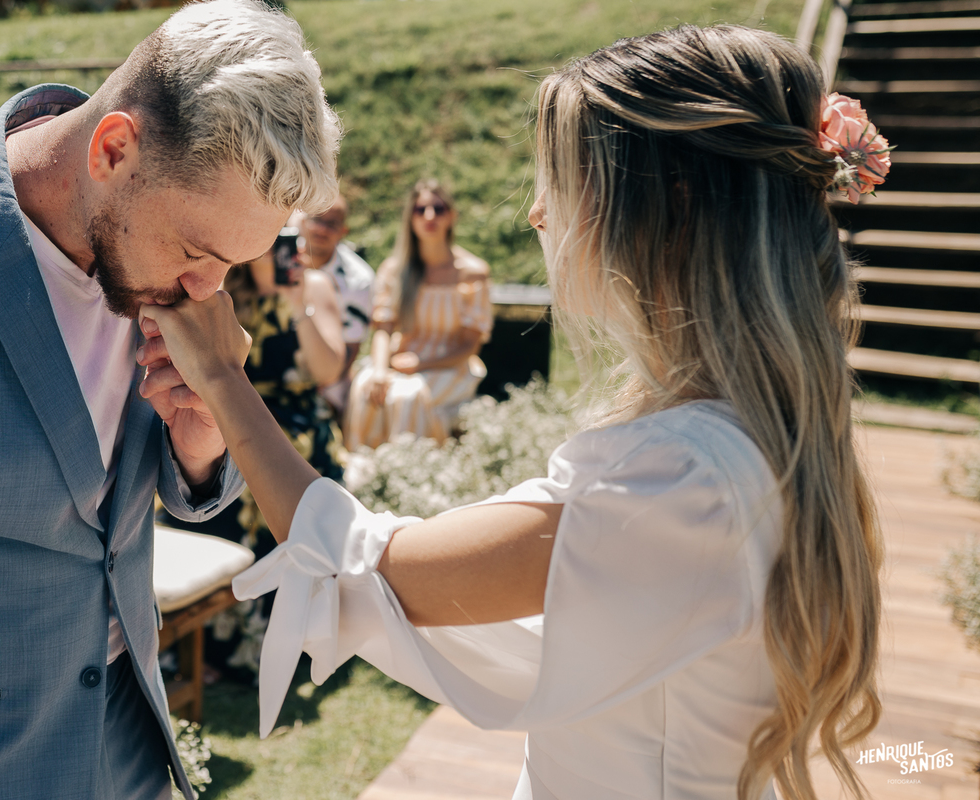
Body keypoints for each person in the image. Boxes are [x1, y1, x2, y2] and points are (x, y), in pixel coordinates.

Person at [138, 24, 889, 800]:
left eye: (564, 178)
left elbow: (372, 569)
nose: (536, 212)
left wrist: (222, 376)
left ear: (670, 206)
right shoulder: (746, 442)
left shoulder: (683, 476)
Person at [0, 1, 340, 798]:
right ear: (113, 149)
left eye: (232, 266)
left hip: (130, 752)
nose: (207, 294)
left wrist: (200, 445)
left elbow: (122, 515)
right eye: (196, 252)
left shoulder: (155, 248)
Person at [200, 248, 346, 676]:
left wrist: (299, 305)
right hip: (238, 415)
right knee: (210, 472)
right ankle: (215, 645)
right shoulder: (224, 288)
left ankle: (291, 642)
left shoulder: (315, 286)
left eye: (293, 236)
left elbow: (328, 371)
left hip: (298, 420)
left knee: (280, 472)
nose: (287, 248)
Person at [343, 180, 493, 450]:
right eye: (420, 209)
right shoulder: (395, 270)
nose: (429, 216)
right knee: (365, 385)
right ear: (410, 218)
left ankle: (412, 467)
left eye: (438, 208)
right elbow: (383, 329)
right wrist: (379, 370)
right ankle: (365, 466)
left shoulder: (473, 273)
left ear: (452, 216)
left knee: (406, 397)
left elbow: (470, 346)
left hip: (450, 365)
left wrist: (422, 364)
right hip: (401, 359)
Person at [295, 194, 376, 415]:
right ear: (303, 221)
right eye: (317, 220)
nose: (322, 229)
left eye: (331, 224)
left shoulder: (359, 279)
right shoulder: (280, 254)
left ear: (343, 231)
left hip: (330, 369)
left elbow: (351, 344)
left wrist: (326, 382)